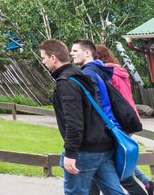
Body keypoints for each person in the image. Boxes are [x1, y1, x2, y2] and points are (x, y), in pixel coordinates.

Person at [41, 39, 123, 195]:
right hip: (103, 146)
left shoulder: (66, 83)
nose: (43, 62)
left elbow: (74, 121)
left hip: (85, 150)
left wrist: (71, 153)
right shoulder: (80, 76)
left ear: (53, 58)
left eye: (44, 58)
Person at [97, 44, 152, 195]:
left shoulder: (108, 74)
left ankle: (144, 185)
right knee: (123, 155)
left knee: (121, 164)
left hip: (121, 120)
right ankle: (147, 182)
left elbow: (111, 100)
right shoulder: (120, 71)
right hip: (130, 116)